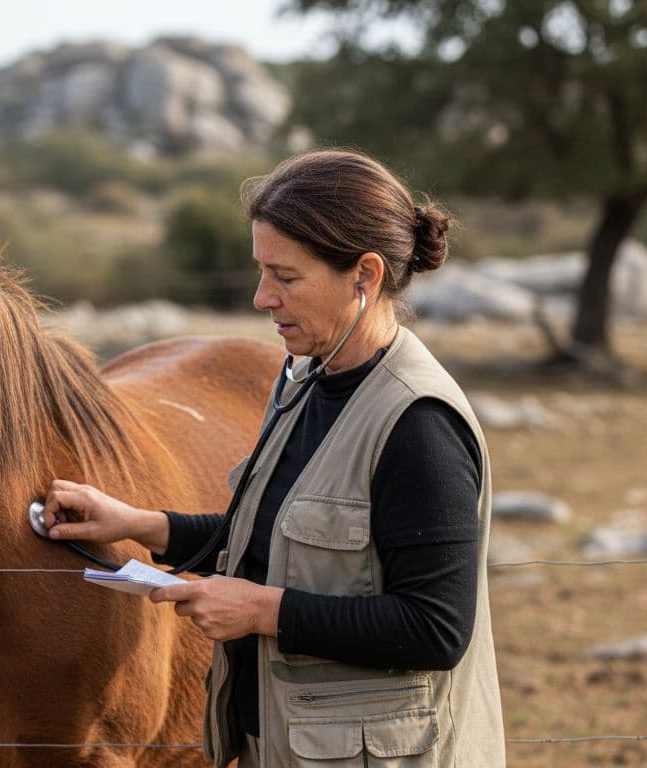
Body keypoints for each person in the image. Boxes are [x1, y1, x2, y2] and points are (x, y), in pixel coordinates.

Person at [42, 149, 505, 767]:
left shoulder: (418, 422)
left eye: (286, 278)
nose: (263, 298)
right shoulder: (306, 381)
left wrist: (259, 609)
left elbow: (436, 627)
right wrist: (135, 524)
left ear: (364, 276)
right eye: (262, 272)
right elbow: (271, 538)